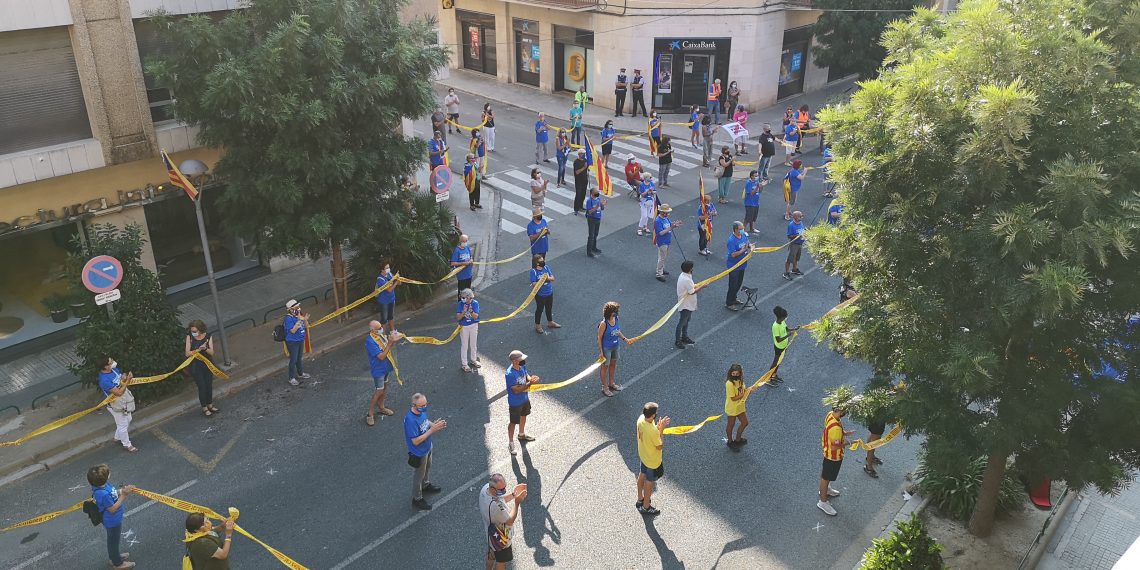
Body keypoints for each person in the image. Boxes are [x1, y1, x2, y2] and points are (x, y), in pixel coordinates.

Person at [87, 464, 136, 569]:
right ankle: (117, 563)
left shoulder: (102, 485)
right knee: (113, 541)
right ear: (106, 478)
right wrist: (124, 495)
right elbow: (112, 509)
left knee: (113, 540)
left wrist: (123, 490)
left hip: (112, 520)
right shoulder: (103, 494)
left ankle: (114, 557)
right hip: (112, 521)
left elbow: (113, 493)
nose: (110, 473)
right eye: (108, 473)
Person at [405, 393, 446, 510]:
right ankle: (417, 498)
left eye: (426, 404)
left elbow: (425, 421)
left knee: (427, 468)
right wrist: (432, 430)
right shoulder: (410, 420)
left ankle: (426, 484)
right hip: (419, 453)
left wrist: (434, 425)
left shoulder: (421, 412)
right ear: (414, 405)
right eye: (422, 405)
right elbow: (415, 441)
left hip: (428, 447)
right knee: (419, 475)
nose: (424, 407)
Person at [480, 474, 528, 570]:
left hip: (490, 535)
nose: (504, 491)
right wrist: (517, 502)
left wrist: (513, 495)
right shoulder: (496, 507)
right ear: (493, 489)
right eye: (501, 490)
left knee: (492, 553)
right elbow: (509, 521)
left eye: (504, 488)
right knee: (501, 561)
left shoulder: (485, 489)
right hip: (501, 537)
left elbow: (500, 499)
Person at [818, 403, 854, 516]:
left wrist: (845, 433)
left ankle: (826, 490)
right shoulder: (836, 428)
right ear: (840, 411)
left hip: (829, 453)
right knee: (826, 477)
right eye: (844, 412)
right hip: (832, 456)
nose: (844, 414)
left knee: (827, 477)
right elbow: (835, 446)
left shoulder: (831, 415)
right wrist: (849, 442)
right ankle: (823, 502)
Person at [636, 402, 670, 515]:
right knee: (649, 482)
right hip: (652, 461)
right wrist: (661, 430)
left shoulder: (641, 420)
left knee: (642, 474)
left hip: (643, 455)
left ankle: (640, 498)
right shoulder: (653, 431)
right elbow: (660, 446)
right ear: (654, 415)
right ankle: (646, 506)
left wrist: (657, 427)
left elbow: (649, 432)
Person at [365, 321, 400, 426]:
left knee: (385, 387)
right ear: (372, 330)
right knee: (379, 391)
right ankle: (370, 413)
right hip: (378, 370)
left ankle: (381, 407)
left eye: (381, 327)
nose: (381, 329)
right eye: (378, 328)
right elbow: (381, 356)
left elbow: (388, 347)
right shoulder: (370, 341)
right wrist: (390, 343)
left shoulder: (381, 336)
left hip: (386, 367)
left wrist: (393, 339)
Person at [505, 350, 539, 455]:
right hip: (515, 402)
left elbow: (526, 375)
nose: (524, 360)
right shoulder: (510, 374)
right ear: (515, 361)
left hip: (524, 398)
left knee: (524, 416)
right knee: (513, 422)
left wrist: (531, 378)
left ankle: (521, 434)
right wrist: (529, 383)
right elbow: (516, 389)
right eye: (521, 359)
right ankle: (511, 442)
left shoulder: (521, 367)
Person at [597, 301, 633, 396]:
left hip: (615, 346)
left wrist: (625, 339)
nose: (617, 313)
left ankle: (611, 383)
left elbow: (617, 331)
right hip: (606, 349)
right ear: (609, 312)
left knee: (613, 364)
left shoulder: (616, 318)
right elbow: (599, 338)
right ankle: (604, 387)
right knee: (605, 367)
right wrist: (601, 352)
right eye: (615, 311)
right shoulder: (603, 324)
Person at [185, 320, 218, 418]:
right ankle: (204, 408)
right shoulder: (189, 337)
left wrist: (205, 349)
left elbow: (211, 352)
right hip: (196, 366)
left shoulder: (208, 336)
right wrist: (199, 349)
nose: (193, 333)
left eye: (195, 331)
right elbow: (187, 353)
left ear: (200, 329)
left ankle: (210, 405)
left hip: (207, 364)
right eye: (192, 331)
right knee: (202, 387)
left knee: (209, 385)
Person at [675, 260, 707, 349]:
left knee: (686, 320)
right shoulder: (686, 279)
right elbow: (692, 292)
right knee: (682, 322)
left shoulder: (683, 276)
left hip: (686, 303)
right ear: (690, 269)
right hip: (686, 304)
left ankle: (684, 336)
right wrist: (702, 286)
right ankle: (678, 340)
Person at [724, 364, 756, 449]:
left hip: (740, 405)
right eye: (733, 374)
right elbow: (733, 398)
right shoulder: (729, 384)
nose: (735, 376)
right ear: (730, 373)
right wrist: (745, 393)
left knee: (745, 423)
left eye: (737, 374)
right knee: (731, 425)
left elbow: (742, 391)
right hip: (732, 407)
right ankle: (730, 442)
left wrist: (749, 390)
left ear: (740, 373)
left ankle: (738, 440)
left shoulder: (740, 381)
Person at [283, 299, 310, 386]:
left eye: (298, 307)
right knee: (293, 360)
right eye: (296, 307)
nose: (298, 309)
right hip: (292, 342)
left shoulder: (299, 315)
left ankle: (300, 373)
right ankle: (291, 378)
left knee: (299, 358)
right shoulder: (288, 319)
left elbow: (306, 326)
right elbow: (293, 331)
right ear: (290, 309)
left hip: (300, 340)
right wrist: (298, 320)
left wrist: (305, 320)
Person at [530, 254, 560, 334]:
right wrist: (541, 281)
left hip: (549, 292)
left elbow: (553, 278)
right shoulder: (533, 271)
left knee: (549, 308)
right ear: (536, 263)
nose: (543, 262)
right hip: (540, 295)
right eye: (541, 261)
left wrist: (547, 278)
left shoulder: (546, 267)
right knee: (540, 310)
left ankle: (550, 322)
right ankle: (537, 325)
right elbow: (533, 284)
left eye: (543, 260)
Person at [725, 221, 751, 310]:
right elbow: (733, 255)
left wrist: (751, 246)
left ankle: (734, 298)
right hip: (734, 266)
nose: (743, 230)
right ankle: (729, 303)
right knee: (733, 285)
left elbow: (748, 244)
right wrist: (744, 250)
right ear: (735, 229)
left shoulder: (743, 235)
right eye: (741, 229)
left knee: (738, 283)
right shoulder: (731, 240)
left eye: (743, 228)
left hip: (742, 264)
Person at [770, 305, 798, 386]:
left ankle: (774, 375)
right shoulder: (775, 326)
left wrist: (794, 329)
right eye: (785, 317)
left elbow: (786, 329)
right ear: (781, 317)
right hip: (779, 347)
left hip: (784, 345)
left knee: (779, 361)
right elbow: (778, 339)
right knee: (775, 362)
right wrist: (788, 335)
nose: (786, 318)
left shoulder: (782, 322)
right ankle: (770, 377)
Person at [653, 204, 679, 282]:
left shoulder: (666, 218)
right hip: (662, 241)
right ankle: (659, 273)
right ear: (662, 212)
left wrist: (674, 224)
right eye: (666, 212)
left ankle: (661, 269)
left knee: (663, 257)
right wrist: (671, 227)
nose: (667, 214)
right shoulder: (658, 221)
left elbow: (670, 224)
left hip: (667, 241)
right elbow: (660, 233)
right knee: (662, 257)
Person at [457, 288, 481, 373]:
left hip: (474, 325)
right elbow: (458, 318)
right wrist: (463, 312)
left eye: (464, 297)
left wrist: (471, 311)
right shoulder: (460, 304)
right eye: (462, 297)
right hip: (464, 327)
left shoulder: (475, 303)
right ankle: (464, 364)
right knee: (465, 345)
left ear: (469, 298)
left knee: (473, 344)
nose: (462, 299)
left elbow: (475, 317)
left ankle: (473, 360)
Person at [375, 262, 399, 334]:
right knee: (384, 319)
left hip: (391, 299)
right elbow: (389, 290)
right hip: (384, 302)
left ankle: (393, 331)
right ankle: (383, 336)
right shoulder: (380, 280)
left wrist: (398, 278)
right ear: (382, 270)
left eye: (389, 267)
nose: (389, 269)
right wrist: (396, 282)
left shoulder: (390, 274)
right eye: (387, 268)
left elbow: (399, 283)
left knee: (391, 316)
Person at [783, 210, 806, 280]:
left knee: (796, 258)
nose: (802, 217)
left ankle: (794, 269)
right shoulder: (791, 225)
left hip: (800, 244)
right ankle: (786, 273)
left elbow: (802, 230)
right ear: (795, 217)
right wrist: (797, 236)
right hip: (794, 245)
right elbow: (789, 236)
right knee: (789, 259)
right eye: (800, 216)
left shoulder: (801, 223)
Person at [451, 235, 474, 299]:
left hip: (469, 274)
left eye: (466, 241)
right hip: (462, 276)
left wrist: (471, 260)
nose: (465, 242)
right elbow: (452, 263)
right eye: (463, 241)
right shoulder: (457, 250)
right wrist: (463, 263)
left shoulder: (467, 247)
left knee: (468, 291)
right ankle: (461, 304)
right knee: (462, 292)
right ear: (460, 241)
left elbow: (470, 257)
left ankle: (467, 303)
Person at [585, 187, 605, 257]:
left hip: (598, 218)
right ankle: (589, 252)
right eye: (596, 192)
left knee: (596, 234)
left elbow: (602, 208)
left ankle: (594, 247)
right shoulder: (589, 201)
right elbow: (589, 212)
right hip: (592, 219)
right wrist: (596, 207)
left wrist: (603, 204)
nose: (598, 193)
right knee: (591, 236)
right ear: (592, 194)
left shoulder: (598, 199)